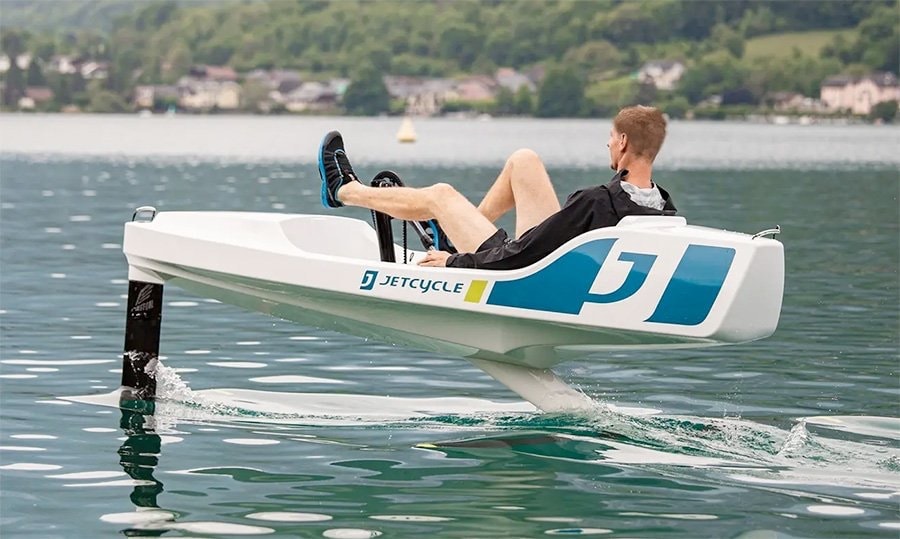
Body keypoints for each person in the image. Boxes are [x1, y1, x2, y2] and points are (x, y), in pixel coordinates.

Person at [318, 105, 676, 270]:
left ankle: (344, 190)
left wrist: (454, 262)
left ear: (624, 142)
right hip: (555, 269)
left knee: (441, 195)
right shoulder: (663, 211)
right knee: (524, 160)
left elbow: (523, 255)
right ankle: (454, 234)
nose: (608, 144)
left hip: (524, 275)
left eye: (611, 137)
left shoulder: (596, 201)